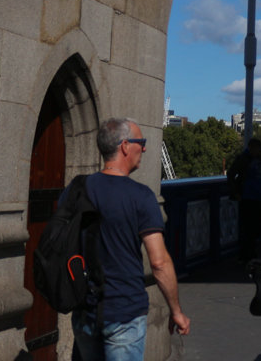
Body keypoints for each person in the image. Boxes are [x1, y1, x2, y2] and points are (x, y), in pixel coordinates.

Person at [68, 117, 190, 360]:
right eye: (140, 142)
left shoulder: (76, 189)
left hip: (85, 309)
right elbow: (159, 262)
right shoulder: (141, 196)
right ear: (125, 146)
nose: (144, 148)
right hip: (124, 311)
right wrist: (175, 310)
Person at [227, 137, 261, 263]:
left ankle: (252, 251)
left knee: (258, 226)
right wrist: (236, 193)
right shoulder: (243, 159)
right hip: (247, 197)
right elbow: (231, 173)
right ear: (250, 148)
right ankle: (247, 254)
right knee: (247, 227)